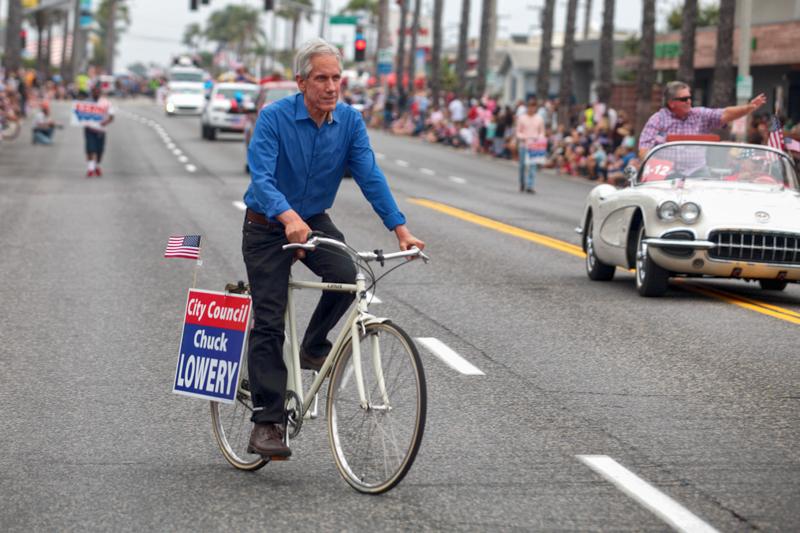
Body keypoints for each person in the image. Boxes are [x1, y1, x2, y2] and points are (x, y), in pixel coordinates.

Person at [242, 38, 425, 459]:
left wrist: (400, 228)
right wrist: (288, 219)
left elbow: (369, 176)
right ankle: (266, 423)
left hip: (313, 219)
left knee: (348, 275)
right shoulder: (274, 118)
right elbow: (261, 179)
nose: (331, 86)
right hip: (268, 224)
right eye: (321, 78)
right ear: (301, 82)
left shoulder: (349, 122)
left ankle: (313, 344)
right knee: (269, 320)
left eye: (336, 78)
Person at [638, 80, 767, 160]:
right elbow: (644, 150)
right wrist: (656, 166)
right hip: (667, 173)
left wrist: (749, 107)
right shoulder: (657, 120)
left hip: (697, 172)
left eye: (689, 97)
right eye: (684, 99)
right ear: (671, 103)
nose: (689, 101)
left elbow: (725, 113)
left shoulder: (699, 114)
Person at [515, 98, 546, 193]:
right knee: (522, 166)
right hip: (524, 145)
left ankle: (530, 185)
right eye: (530, 107)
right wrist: (524, 137)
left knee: (532, 166)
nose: (532, 109)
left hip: (534, 146)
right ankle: (522, 183)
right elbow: (518, 132)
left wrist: (538, 138)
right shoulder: (522, 118)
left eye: (534, 107)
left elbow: (542, 132)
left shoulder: (539, 118)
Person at [83, 84, 114, 177]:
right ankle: (90, 168)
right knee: (90, 149)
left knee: (99, 151)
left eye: (97, 91)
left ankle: (97, 165)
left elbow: (112, 116)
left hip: (101, 130)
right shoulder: (86, 102)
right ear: (92, 92)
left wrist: (106, 122)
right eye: (94, 91)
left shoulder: (106, 103)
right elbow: (80, 114)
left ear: (100, 92)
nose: (96, 93)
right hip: (89, 129)